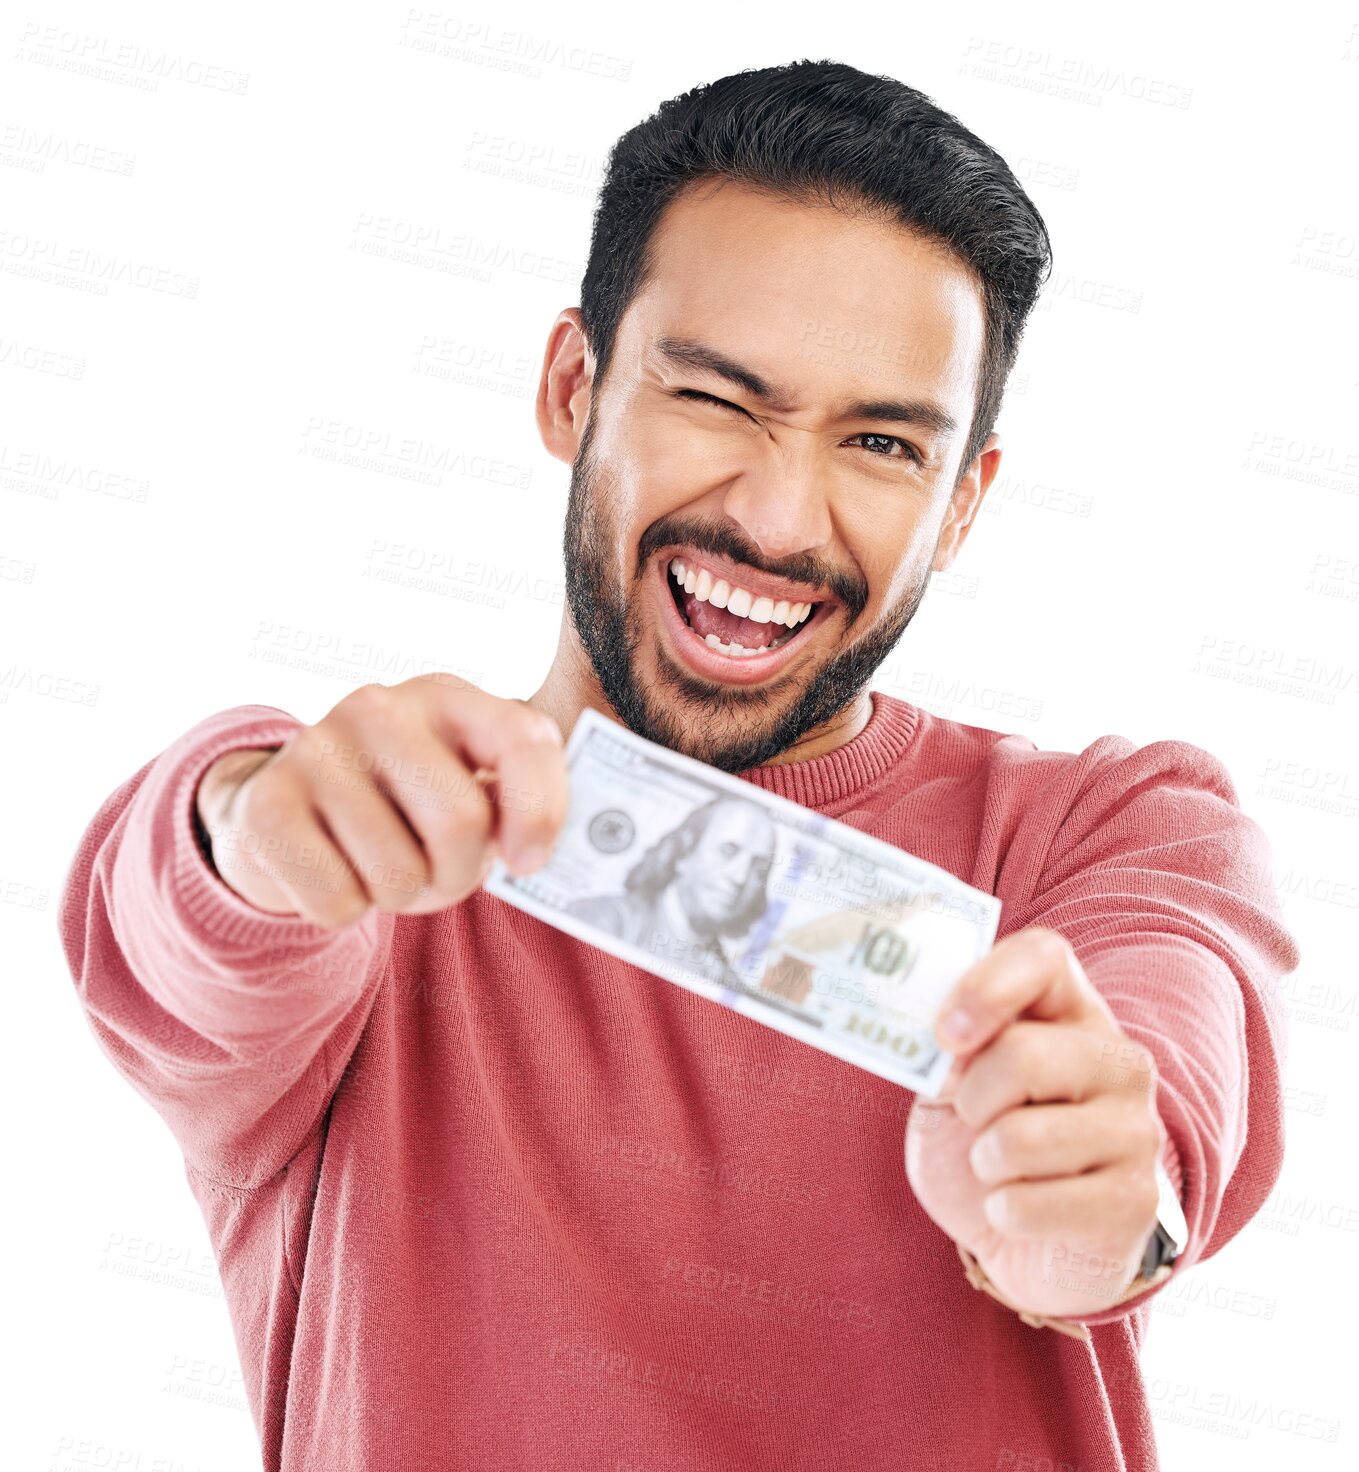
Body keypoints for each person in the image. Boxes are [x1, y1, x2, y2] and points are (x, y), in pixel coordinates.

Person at [57, 59, 1299, 1471]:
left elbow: (1159, 1100)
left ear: (960, 505)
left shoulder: (1114, 832)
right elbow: (185, 914)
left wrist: (1078, 1204)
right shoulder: (363, 862)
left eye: (882, 443)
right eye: (717, 400)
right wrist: (247, 823)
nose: (775, 518)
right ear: (572, 387)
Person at [566, 794, 775, 987]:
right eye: (727, 851)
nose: (740, 877)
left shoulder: (731, 984)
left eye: (759, 868)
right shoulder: (603, 920)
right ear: (684, 852)